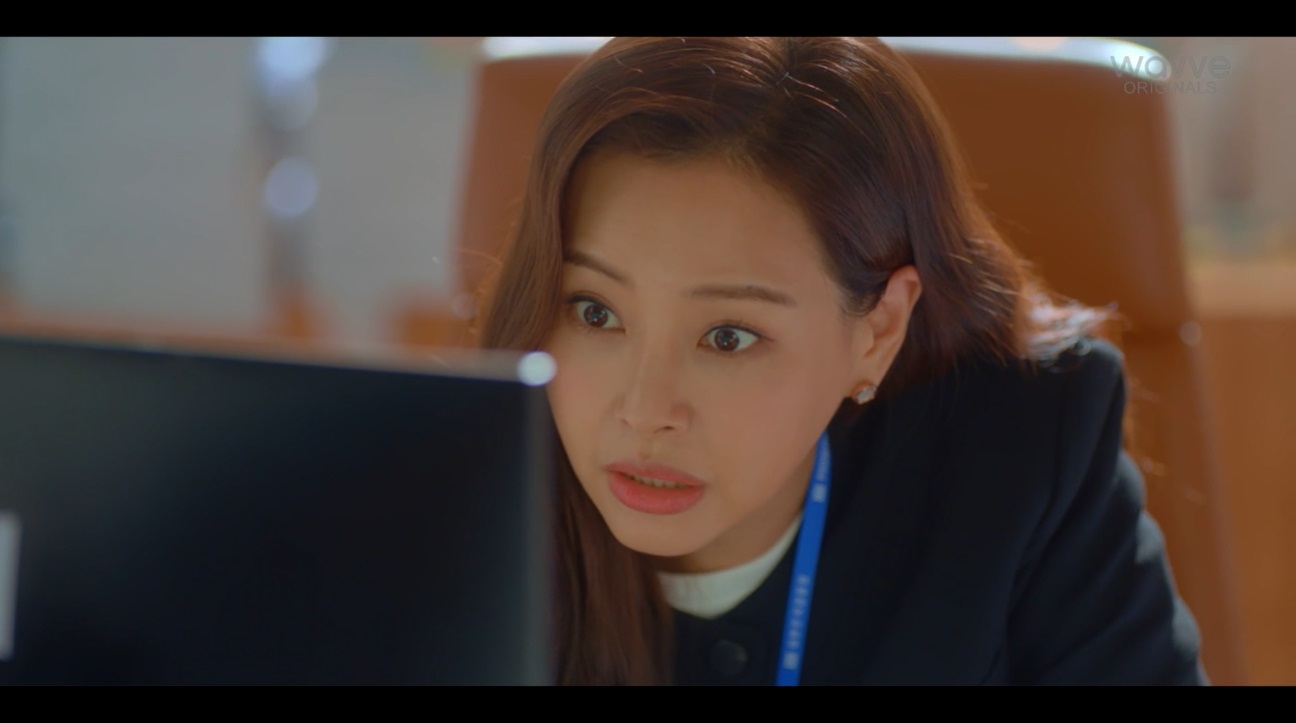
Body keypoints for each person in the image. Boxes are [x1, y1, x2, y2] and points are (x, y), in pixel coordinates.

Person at [476, 36, 1206, 685]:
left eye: (728, 336)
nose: (644, 411)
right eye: (595, 312)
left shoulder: (1022, 452)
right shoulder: (457, 490)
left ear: (878, 331)